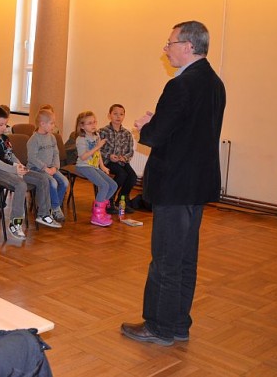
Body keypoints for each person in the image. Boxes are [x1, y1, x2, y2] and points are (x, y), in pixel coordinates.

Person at [121, 20, 226, 347]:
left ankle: (159, 327)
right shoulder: (214, 82)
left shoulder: (180, 85)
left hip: (175, 184)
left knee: (166, 259)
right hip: (196, 185)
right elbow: (192, 130)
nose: (166, 50)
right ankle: (179, 323)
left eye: (170, 43)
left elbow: (156, 136)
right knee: (184, 259)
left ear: (189, 46)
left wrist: (146, 125)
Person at [0, 106, 57, 245]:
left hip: (12, 169)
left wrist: (19, 165)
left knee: (42, 178)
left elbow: (11, 155)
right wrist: (14, 170)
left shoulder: (4, 138)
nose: (4, 127)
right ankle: (15, 223)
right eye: (1, 124)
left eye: (5, 124)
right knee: (21, 184)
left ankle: (43, 214)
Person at [73, 111, 118, 227]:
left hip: (94, 166)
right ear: (82, 126)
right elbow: (83, 157)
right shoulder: (81, 139)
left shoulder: (96, 136)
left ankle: (100, 209)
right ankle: (97, 216)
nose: (93, 125)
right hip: (83, 166)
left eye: (94, 122)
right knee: (104, 186)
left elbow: (98, 153)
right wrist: (97, 146)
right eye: (89, 123)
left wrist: (102, 166)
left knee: (113, 185)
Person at [26, 108, 69, 223]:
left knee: (65, 182)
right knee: (53, 182)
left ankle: (55, 206)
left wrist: (55, 167)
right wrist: (45, 168)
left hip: (51, 167)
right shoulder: (34, 139)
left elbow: (56, 153)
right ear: (42, 124)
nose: (54, 126)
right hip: (37, 168)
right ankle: (55, 208)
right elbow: (32, 158)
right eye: (52, 123)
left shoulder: (52, 137)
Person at [99, 104, 138, 213]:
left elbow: (130, 151)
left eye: (121, 114)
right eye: (115, 114)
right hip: (107, 161)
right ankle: (109, 200)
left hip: (121, 162)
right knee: (122, 174)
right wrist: (109, 156)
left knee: (133, 176)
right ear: (109, 115)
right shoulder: (103, 131)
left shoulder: (127, 133)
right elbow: (97, 150)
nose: (118, 116)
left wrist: (124, 157)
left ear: (124, 116)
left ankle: (122, 200)